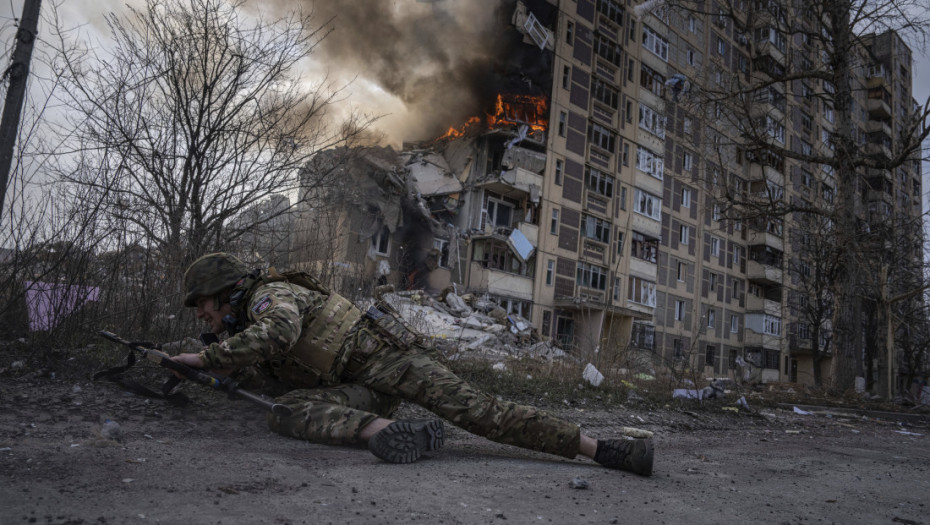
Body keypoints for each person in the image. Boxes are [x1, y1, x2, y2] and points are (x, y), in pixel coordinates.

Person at [170, 253, 654, 475]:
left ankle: (603, 450)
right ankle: (384, 432)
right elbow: (273, 373)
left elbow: (280, 331)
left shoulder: (267, 297)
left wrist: (206, 355)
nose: (201, 313)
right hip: (362, 392)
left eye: (203, 303)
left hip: (392, 363)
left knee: (481, 413)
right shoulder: (241, 324)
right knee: (284, 410)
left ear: (227, 291)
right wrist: (209, 366)